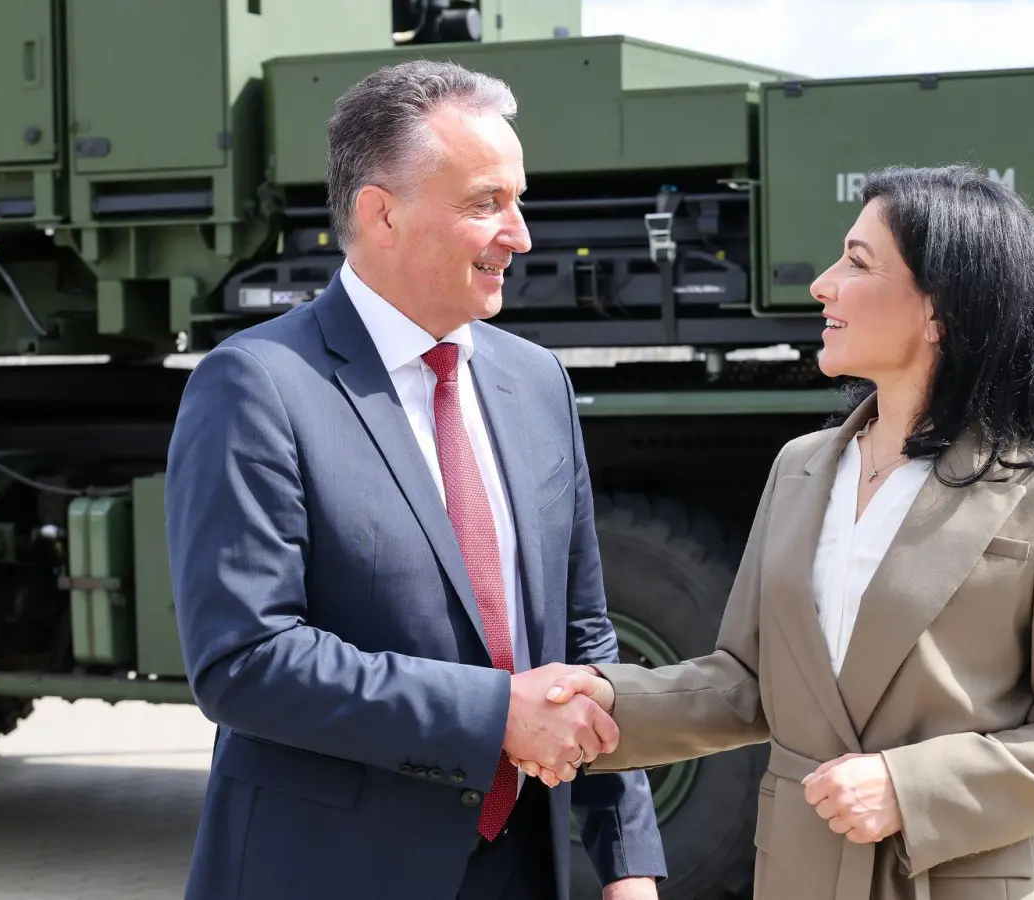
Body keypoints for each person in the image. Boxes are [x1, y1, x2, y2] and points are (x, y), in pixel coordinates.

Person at [522, 165, 1034, 900]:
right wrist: (602, 702)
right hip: (802, 874)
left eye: (857, 262)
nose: (822, 285)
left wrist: (910, 789)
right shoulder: (799, 468)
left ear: (939, 308)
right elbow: (750, 682)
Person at [164, 60, 665, 900]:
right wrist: (495, 715)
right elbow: (244, 660)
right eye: (485, 203)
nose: (520, 235)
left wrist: (627, 862)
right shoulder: (257, 385)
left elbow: (583, 641)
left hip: (520, 870)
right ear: (381, 214)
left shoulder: (538, 382)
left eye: (518, 200)